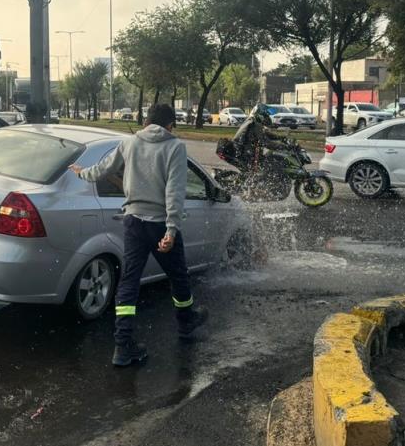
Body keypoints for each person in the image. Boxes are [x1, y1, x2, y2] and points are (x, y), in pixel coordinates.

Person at [68, 103, 208, 367]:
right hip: (158, 224)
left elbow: (102, 169)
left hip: (133, 222)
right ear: (170, 126)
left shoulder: (129, 143)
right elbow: (175, 191)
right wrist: (171, 229)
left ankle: (123, 345)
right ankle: (186, 321)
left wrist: (81, 172)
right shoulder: (175, 147)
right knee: (178, 275)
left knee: (129, 282)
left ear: (146, 123)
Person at [231, 104, 289, 169]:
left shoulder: (253, 122)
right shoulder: (255, 125)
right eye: (265, 115)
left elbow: (266, 134)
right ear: (260, 115)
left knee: (267, 159)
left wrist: (280, 137)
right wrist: (282, 146)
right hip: (246, 153)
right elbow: (266, 143)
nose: (267, 118)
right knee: (270, 164)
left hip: (244, 151)